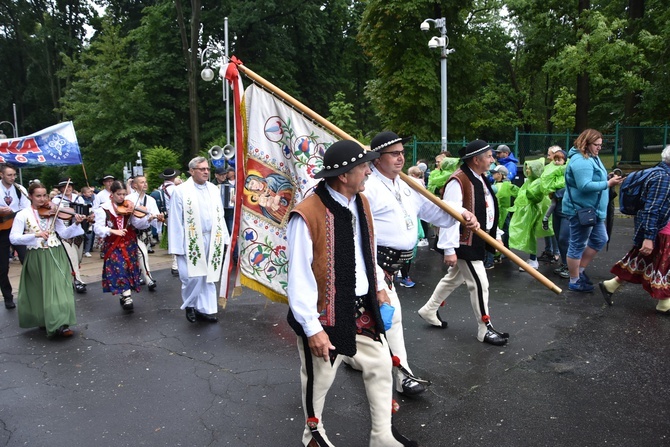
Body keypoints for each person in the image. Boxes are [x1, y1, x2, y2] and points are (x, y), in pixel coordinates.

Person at [286, 140, 417, 447]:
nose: (368, 171)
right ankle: (313, 436)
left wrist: (380, 288)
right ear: (343, 175)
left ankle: (382, 436)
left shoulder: (361, 202)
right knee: (320, 378)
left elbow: (366, 252)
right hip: (324, 314)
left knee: (381, 364)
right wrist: (312, 328)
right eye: (362, 166)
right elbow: (299, 277)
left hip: (361, 306)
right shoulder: (306, 214)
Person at [364, 131, 478, 396]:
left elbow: (435, 211)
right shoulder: (367, 187)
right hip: (374, 266)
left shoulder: (408, 185)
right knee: (392, 319)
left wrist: (461, 214)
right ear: (378, 158)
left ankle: (352, 356)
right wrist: (374, 273)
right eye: (394, 153)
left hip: (395, 267)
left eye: (402, 152)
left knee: (373, 320)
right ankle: (403, 376)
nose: (401, 158)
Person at [418, 140, 509, 346]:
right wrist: (449, 249)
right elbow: (450, 215)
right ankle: (485, 328)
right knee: (479, 283)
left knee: (454, 278)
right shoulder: (457, 181)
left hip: (478, 239)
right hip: (463, 242)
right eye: (488, 156)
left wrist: (497, 234)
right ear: (476, 160)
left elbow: (487, 209)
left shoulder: (480, 177)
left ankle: (429, 309)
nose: (492, 159)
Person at [599, 146, 670, 312]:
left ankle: (611, 285)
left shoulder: (659, 172)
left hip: (658, 230)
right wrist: (649, 237)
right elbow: (652, 209)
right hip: (661, 231)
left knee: (641, 261)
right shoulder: (663, 178)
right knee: (663, 266)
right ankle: (664, 304)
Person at [10, 183, 85, 337]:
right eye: (38, 196)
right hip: (36, 255)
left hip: (56, 251)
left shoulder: (54, 212)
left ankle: (61, 323)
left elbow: (64, 233)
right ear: (30, 196)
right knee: (40, 289)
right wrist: (35, 235)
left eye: (45, 195)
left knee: (59, 287)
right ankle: (44, 319)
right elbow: (14, 238)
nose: (42, 199)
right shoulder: (22, 214)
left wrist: (77, 223)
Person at [168, 157, 230, 323]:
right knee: (192, 277)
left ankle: (205, 309)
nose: (205, 172)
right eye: (201, 169)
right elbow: (175, 220)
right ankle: (190, 305)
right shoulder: (180, 191)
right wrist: (177, 247)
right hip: (191, 239)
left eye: (207, 169)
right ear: (191, 171)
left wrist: (225, 238)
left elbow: (220, 215)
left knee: (209, 275)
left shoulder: (213, 189)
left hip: (212, 237)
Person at [563, 129, 624, 292]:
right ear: (586, 143)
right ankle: (574, 280)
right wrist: (608, 184)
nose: (599, 148)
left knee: (600, 239)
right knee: (577, 244)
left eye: (600, 145)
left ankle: (579, 271)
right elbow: (584, 185)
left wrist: (607, 178)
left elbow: (594, 178)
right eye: (596, 145)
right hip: (581, 211)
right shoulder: (581, 161)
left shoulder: (592, 157)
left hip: (593, 211)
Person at [94, 180, 152, 312]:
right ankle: (127, 296)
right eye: (119, 194)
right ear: (112, 194)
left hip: (129, 242)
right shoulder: (104, 208)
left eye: (124, 194)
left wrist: (148, 218)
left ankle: (124, 293)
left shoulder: (128, 207)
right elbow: (97, 228)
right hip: (113, 243)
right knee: (119, 267)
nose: (122, 197)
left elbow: (137, 224)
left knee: (128, 268)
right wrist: (112, 230)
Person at [508, 158, 552, 270]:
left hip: (533, 212)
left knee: (531, 235)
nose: (527, 170)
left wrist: (526, 193)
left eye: (529, 168)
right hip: (529, 211)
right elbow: (523, 194)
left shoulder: (538, 182)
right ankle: (532, 258)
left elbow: (535, 197)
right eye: (526, 168)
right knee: (529, 235)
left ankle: (533, 260)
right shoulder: (530, 181)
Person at [0, 164, 30, 309]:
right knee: (2, 267)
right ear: (1, 175)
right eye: (9, 175)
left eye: (14, 175)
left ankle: (32, 292)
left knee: (27, 260)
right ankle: (7, 297)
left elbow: (26, 208)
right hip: (1, 231)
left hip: (17, 228)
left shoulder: (20, 189)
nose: (12, 178)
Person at [51, 178, 89, 293]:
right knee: (71, 258)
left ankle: (72, 277)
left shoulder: (79, 198)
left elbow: (84, 212)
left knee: (78, 258)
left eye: (69, 186)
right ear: (60, 189)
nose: (67, 188)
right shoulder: (57, 200)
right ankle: (77, 281)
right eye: (64, 187)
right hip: (65, 232)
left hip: (78, 232)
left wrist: (86, 216)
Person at [126, 175, 163, 291]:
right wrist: (148, 219)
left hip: (145, 233)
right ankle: (148, 278)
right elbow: (135, 222)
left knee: (141, 255)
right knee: (142, 254)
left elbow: (155, 216)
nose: (145, 184)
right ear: (135, 185)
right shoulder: (129, 199)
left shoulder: (150, 199)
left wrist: (158, 218)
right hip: (132, 233)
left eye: (146, 182)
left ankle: (137, 276)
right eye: (142, 182)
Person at [158, 168, 181, 276]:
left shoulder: (161, 187)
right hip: (174, 216)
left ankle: (176, 264)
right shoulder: (173, 189)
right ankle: (175, 265)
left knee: (173, 238)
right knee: (178, 238)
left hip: (167, 215)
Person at [215, 166, 236, 233]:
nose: (223, 176)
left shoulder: (229, 185)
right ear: (216, 175)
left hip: (228, 212)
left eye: (224, 174)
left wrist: (235, 197)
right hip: (216, 213)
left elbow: (235, 195)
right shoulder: (212, 185)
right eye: (221, 175)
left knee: (230, 230)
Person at [80, 186, 96, 257]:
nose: (90, 193)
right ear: (84, 193)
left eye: (91, 192)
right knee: (82, 235)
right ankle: (81, 249)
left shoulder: (92, 199)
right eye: (88, 192)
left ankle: (87, 250)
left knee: (90, 234)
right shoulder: (80, 199)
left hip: (90, 219)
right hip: (82, 219)